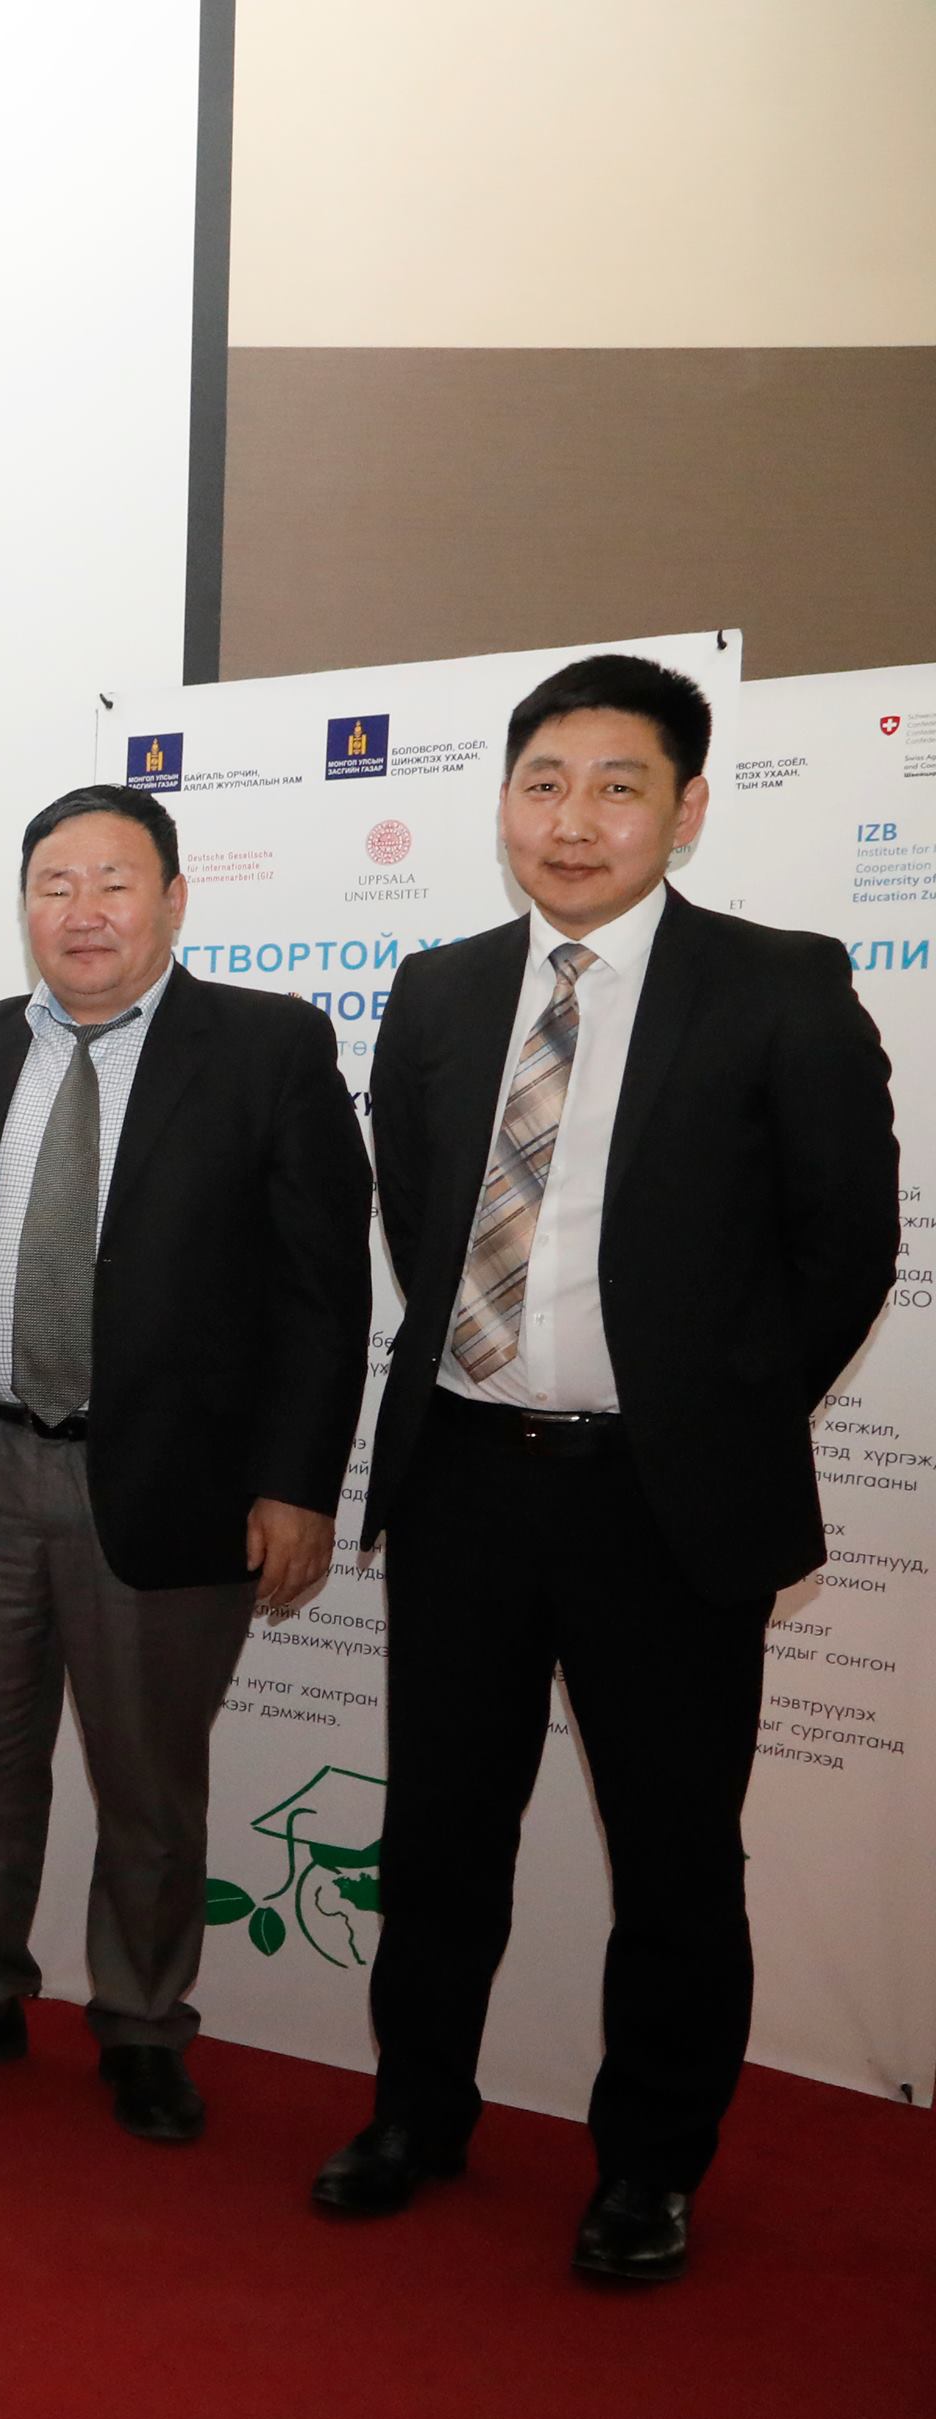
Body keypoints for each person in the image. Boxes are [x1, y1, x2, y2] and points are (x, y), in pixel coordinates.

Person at [319, 655, 896, 2283]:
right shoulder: (437, 991)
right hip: (462, 1481)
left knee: (674, 1855)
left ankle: (649, 2166)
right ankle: (416, 2114)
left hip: (662, 1502)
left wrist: (713, 1416)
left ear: (687, 807)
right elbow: (420, 1206)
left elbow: (844, 1247)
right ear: (504, 802)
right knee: (440, 1834)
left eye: (616, 785)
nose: (572, 820)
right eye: (543, 783)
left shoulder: (777, 986)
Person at [0, 785, 367, 2142]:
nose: (82, 912)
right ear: (24, 906)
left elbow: (322, 1292)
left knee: (148, 1782)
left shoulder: (266, 1047)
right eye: (54, 885)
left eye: (114, 882)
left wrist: (297, 1483)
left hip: (167, 1479)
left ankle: (140, 2021)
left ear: (174, 900)